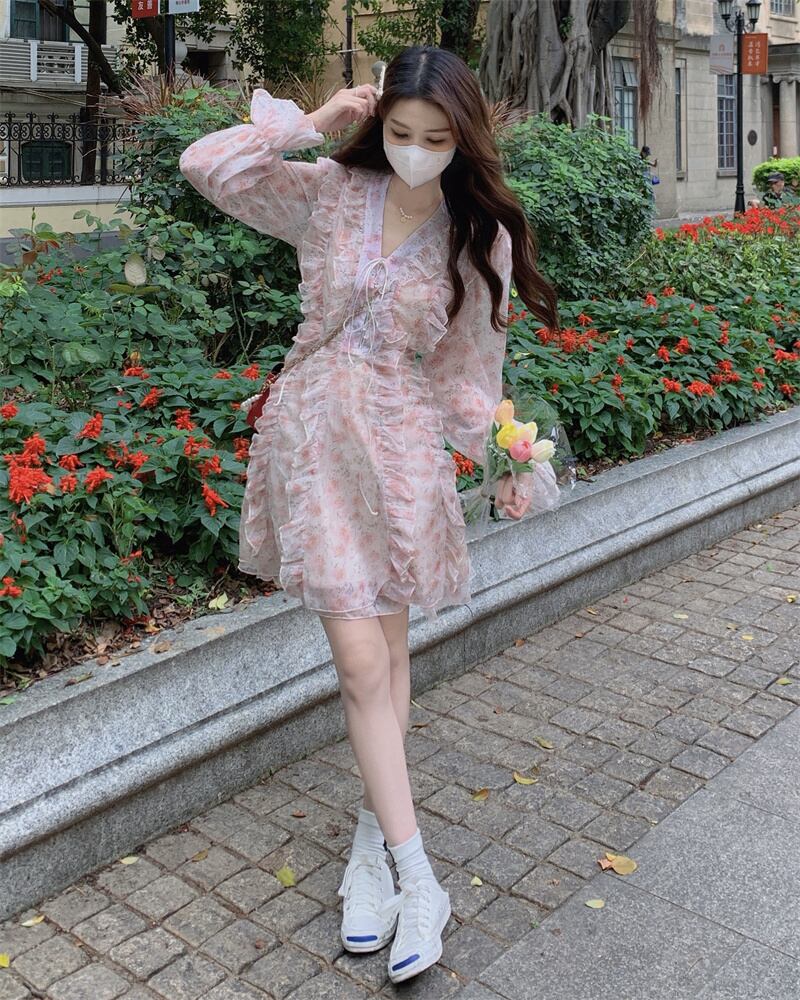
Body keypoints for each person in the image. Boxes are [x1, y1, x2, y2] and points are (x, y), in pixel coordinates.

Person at [179, 44, 559, 984]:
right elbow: (208, 166)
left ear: (464, 139)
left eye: (437, 137)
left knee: (386, 660)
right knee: (360, 661)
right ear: (379, 123)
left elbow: (469, 375)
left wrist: (502, 458)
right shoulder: (332, 193)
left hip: (397, 450)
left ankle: (370, 848)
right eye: (401, 131)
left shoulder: (478, 235)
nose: (416, 150)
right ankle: (420, 880)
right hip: (315, 442)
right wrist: (319, 120)